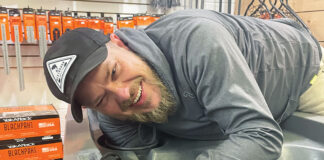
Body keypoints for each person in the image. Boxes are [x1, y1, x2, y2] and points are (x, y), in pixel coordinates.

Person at [43, 10, 323, 160]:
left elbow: (261, 135)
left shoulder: (196, 41)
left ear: (119, 42)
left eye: (113, 71)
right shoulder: (109, 109)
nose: (122, 93)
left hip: (301, 73)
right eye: (100, 99)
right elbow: (141, 148)